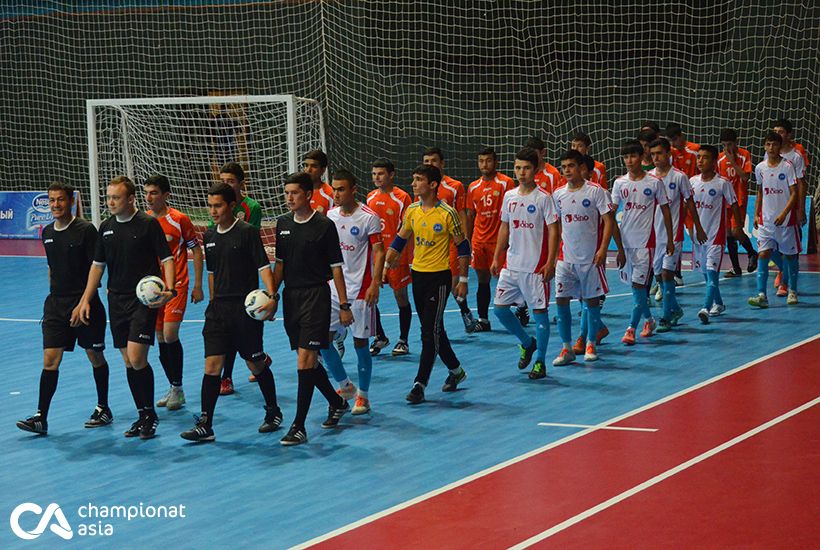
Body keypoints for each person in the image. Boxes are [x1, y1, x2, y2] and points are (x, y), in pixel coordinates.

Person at [73, 175, 176, 439]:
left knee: (137, 357)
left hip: (143, 300)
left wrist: (170, 288)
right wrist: (86, 298)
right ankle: (142, 414)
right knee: (129, 361)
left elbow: (167, 258)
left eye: (115, 197)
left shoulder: (148, 224)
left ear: (130, 199)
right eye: (108, 197)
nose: (110, 202)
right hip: (116, 300)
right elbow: (98, 266)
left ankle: (150, 415)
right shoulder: (106, 227)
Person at [179, 183, 282, 442]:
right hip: (218, 312)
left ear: (231, 206)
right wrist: (212, 303)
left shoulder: (247, 232)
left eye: (218, 206)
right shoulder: (210, 236)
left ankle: (273, 411)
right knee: (212, 365)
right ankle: (206, 424)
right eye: (210, 205)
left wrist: (272, 297)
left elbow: (263, 266)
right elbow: (212, 274)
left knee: (255, 363)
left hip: (244, 312)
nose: (212, 211)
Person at [16, 182, 111, 435]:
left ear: (71, 202)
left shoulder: (86, 230)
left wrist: (84, 302)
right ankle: (40, 418)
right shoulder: (47, 232)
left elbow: (97, 268)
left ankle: (103, 407)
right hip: (56, 306)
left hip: (85, 304)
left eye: (60, 200)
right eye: (52, 200)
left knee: (94, 356)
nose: (56, 205)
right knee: (50, 360)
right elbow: (51, 267)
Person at [270, 172, 353, 446]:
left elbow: (336, 269)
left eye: (294, 193)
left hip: (317, 296)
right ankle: (336, 401)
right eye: (286, 193)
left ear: (308, 195)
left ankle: (298, 425)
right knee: (308, 361)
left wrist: (343, 305)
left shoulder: (323, 225)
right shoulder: (282, 224)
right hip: (291, 298)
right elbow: (279, 265)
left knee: (305, 360)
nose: (289, 198)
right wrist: (271, 295)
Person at [386, 164, 470, 404]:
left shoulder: (447, 213)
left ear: (433, 185)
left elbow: (462, 246)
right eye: (413, 179)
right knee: (435, 330)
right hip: (418, 277)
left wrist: (462, 280)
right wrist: (388, 262)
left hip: (439, 279)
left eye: (419, 180)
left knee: (428, 333)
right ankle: (456, 371)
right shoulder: (412, 211)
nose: (413, 184)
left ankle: (419, 384)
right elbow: (401, 239)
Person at [320, 170, 385, 415]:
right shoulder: (330, 216)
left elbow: (378, 252)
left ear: (353, 189)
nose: (336, 194)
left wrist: (375, 283)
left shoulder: (368, 217)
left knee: (360, 344)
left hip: (360, 290)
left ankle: (364, 397)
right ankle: (345, 385)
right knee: (323, 340)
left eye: (341, 189)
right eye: (334, 189)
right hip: (334, 289)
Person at [491, 148, 560, 378]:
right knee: (500, 310)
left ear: (535, 170)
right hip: (511, 266)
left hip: (535, 268)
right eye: (518, 168)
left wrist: (551, 262)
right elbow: (504, 226)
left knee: (539, 313)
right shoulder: (509, 196)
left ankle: (540, 361)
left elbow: (553, 231)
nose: (521, 172)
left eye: (526, 168)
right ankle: (526, 342)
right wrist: (496, 256)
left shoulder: (543, 198)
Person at [551, 150, 617, 364]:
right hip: (565, 258)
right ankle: (566, 348)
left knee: (591, 301)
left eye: (571, 165)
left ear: (581, 167)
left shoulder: (596, 192)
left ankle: (591, 344)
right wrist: (553, 256)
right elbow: (556, 225)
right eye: (564, 167)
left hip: (590, 258)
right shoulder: (558, 194)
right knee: (561, 301)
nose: (567, 170)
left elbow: (608, 221)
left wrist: (603, 249)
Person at [144, 175, 204, 411]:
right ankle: (173, 387)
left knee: (169, 335)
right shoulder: (144, 221)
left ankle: (177, 388)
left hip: (176, 285)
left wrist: (198, 284)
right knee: (159, 338)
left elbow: (196, 251)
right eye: (146, 192)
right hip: (152, 289)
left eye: (154, 193)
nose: (149, 198)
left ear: (166, 195)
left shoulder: (179, 219)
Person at [610, 141, 674, 345]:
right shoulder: (619, 183)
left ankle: (631, 329)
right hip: (626, 244)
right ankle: (649, 320)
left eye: (633, 156)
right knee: (635, 289)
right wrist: (618, 247)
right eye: (625, 157)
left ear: (641, 157)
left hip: (646, 244)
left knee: (639, 286)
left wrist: (670, 240)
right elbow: (611, 216)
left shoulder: (654, 182)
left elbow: (666, 211)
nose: (629, 161)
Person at [212, 162, 263, 395]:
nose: (226, 184)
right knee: (227, 334)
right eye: (223, 180)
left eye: (230, 181)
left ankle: (258, 360)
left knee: (244, 336)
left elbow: (245, 242)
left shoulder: (251, 207)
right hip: (225, 285)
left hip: (245, 280)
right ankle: (227, 377)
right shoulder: (217, 208)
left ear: (241, 184)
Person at [648, 139, 707, 332]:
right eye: (653, 154)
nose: (655, 157)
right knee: (658, 275)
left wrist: (697, 226)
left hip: (673, 234)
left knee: (666, 274)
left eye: (659, 153)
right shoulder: (648, 177)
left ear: (668, 154)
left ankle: (665, 317)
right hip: (652, 236)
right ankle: (675, 309)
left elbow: (690, 203)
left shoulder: (680, 177)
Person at [421, 147, 477, 333]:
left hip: (451, 244)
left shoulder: (455, 186)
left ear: (442, 163)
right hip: (430, 246)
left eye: (434, 161)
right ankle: (462, 313)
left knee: (451, 284)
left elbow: (462, 214)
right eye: (427, 161)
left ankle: (456, 317)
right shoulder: (421, 186)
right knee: (433, 287)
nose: (430, 164)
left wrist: (465, 240)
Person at [689, 146, 743, 324]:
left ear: (713, 162)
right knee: (706, 275)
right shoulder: (692, 182)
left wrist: (738, 225)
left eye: (705, 158)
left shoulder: (722, 183)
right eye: (699, 157)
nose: (700, 160)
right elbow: (687, 207)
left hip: (716, 237)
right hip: (698, 237)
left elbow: (734, 204)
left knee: (712, 275)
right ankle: (719, 303)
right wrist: (689, 227)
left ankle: (705, 307)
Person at [366, 158, 413, 356]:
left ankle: (403, 340)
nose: (377, 177)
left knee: (400, 297)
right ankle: (381, 337)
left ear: (391, 175)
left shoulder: (403, 198)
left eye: (381, 173)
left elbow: (406, 229)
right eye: (374, 173)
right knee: (370, 297)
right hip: (375, 256)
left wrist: (397, 255)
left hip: (396, 258)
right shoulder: (370, 198)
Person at [748, 132, 800, 308]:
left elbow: (794, 193)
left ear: (780, 146)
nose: (771, 148)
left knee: (791, 256)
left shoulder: (787, 166)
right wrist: (756, 214)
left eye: (774, 145)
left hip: (785, 222)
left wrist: (784, 213)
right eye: (768, 144)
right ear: (764, 146)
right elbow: (760, 192)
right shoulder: (760, 168)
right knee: (763, 254)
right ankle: (762, 294)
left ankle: (792, 290)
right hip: (766, 222)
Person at [466, 147, 516, 331]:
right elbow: (471, 215)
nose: (484, 165)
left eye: (488, 160)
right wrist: (468, 240)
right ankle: (483, 319)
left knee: (507, 278)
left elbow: (512, 210)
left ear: (496, 162)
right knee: (482, 279)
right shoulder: (473, 187)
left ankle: (519, 310)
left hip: (500, 240)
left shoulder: (506, 183)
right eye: (481, 161)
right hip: (480, 240)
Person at [770, 119, 809, 297]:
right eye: (775, 130)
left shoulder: (796, 154)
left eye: (781, 131)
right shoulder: (768, 155)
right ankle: (782, 270)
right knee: (769, 248)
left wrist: (801, 208)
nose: (778, 134)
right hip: (773, 207)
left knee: (790, 249)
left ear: (789, 134)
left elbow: (801, 183)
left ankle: (786, 283)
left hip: (791, 207)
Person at [717, 129, 758, 277]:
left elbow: (745, 177)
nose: (727, 148)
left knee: (736, 231)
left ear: (736, 143)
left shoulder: (744, 155)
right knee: (728, 233)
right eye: (724, 145)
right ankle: (736, 268)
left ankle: (752, 253)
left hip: (739, 198)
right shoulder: (719, 158)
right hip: (724, 200)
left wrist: (733, 162)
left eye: (730, 144)